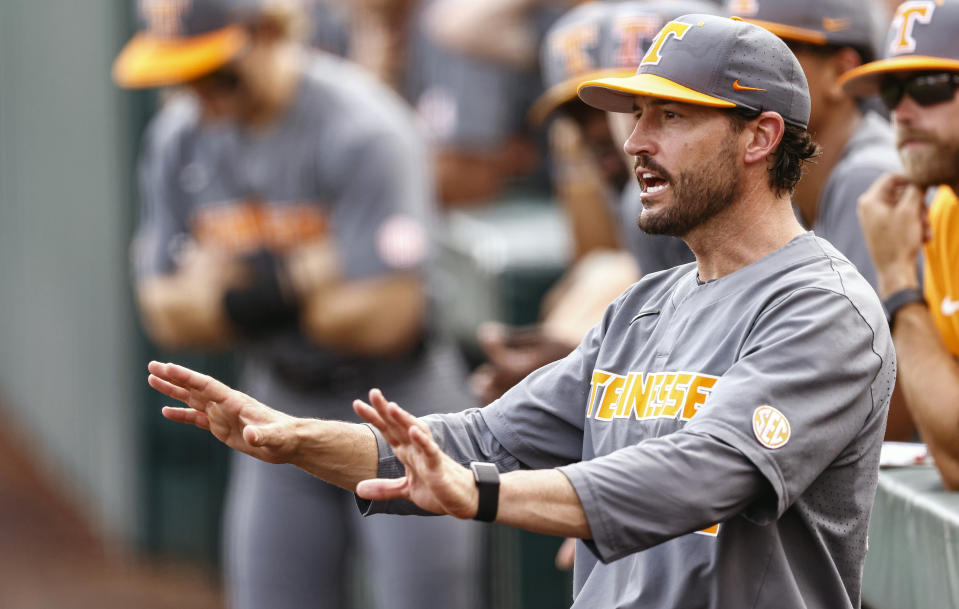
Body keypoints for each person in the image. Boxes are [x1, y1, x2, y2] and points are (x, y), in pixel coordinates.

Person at [150, 14, 895, 608]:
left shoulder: (821, 307)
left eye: (669, 115)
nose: (634, 141)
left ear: (759, 137)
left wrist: (476, 493)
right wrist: (292, 438)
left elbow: (700, 473)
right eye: (636, 115)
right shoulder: (640, 308)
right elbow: (479, 437)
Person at [113, 1, 480, 608]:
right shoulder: (178, 139)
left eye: (214, 73)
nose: (197, 94)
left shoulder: (364, 126)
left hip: (403, 404)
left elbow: (388, 316)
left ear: (266, 33)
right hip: (277, 396)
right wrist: (311, 271)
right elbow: (164, 311)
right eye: (182, 76)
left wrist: (251, 287)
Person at [727, 0, 916, 441]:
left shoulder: (868, 176)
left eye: (771, 53)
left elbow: (889, 401)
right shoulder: (785, 179)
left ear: (841, 70)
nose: (743, 78)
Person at [840, 0, 959, 489]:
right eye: (892, 91)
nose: (902, 113)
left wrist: (895, 279)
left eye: (930, 87)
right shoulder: (942, 211)